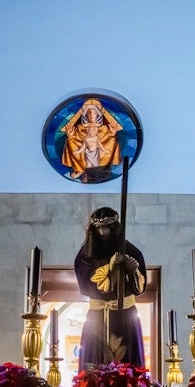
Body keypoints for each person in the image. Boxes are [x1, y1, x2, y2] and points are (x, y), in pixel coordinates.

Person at [74, 206, 147, 370]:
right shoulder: (86, 254)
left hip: (125, 315)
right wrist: (110, 269)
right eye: (98, 229)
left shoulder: (130, 251)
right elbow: (86, 285)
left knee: (127, 363)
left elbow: (140, 288)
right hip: (97, 316)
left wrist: (132, 269)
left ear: (114, 229)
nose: (102, 233)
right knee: (94, 363)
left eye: (106, 228)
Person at [59, 96, 122, 182]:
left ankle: (100, 171)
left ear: (99, 114)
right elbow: (78, 143)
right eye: (89, 113)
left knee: (111, 144)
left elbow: (106, 144)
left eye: (94, 113)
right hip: (84, 152)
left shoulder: (104, 128)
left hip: (99, 153)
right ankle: (80, 169)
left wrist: (112, 135)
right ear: (85, 115)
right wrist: (70, 137)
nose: (92, 115)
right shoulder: (80, 128)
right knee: (71, 144)